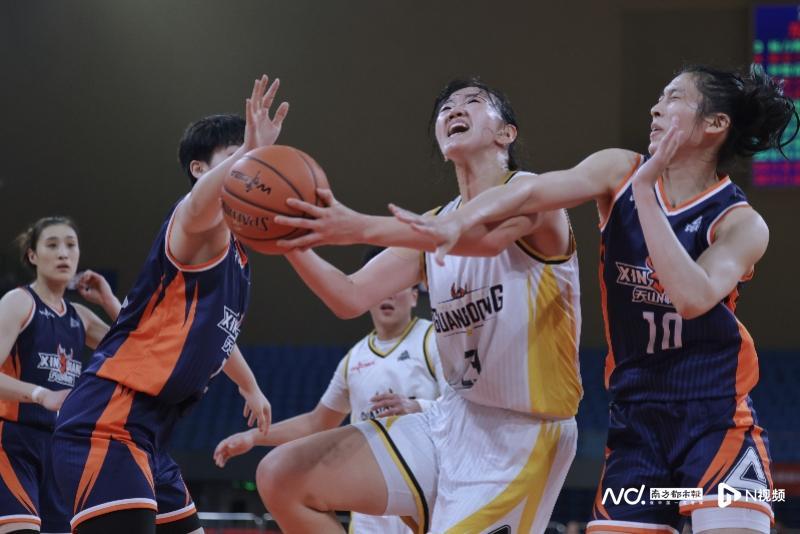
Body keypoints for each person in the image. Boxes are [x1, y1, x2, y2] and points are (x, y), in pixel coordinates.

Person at [388, 64, 797, 534]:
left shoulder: (741, 222)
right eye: (659, 97)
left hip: (715, 418)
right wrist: (455, 223)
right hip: (635, 422)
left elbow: (691, 297)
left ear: (715, 124)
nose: (655, 108)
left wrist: (645, 193)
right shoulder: (618, 169)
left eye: (674, 98)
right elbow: (531, 191)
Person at [256, 78, 583, 534]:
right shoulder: (433, 224)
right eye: (446, 108)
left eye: (473, 102)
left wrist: (359, 226)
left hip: (521, 437)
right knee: (282, 476)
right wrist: (285, 233)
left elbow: (484, 240)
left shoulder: (533, 194)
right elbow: (348, 296)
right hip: (449, 420)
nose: (454, 110)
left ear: (505, 133)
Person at [51, 75, 287, 534]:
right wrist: (250, 149)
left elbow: (220, 336)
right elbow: (201, 205)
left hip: (151, 437)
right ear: (200, 169)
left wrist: (250, 386)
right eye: (237, 156)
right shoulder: (195, 225)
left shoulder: (238, 255)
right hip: (107, 421)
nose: (251, 167)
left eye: (256, 159)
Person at [215, 248, 447, 534]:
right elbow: (317, 423)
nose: (388, 295)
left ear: (414, 295)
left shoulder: (433, 339)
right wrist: (254, 437)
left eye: (397, 286)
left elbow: (460, 408)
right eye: (382, 286)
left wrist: (419, 407)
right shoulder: (353, 359)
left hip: (423, 498)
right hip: (371, 514)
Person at [0, 216, 120, 534]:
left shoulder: (80, 316)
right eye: (52, 245)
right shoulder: (19, 302)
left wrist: (109, 301)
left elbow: (138, 350)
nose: (63, 253)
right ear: (33, 255)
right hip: (11, 443)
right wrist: (40, 394)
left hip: (59, 448)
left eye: (71, 245)